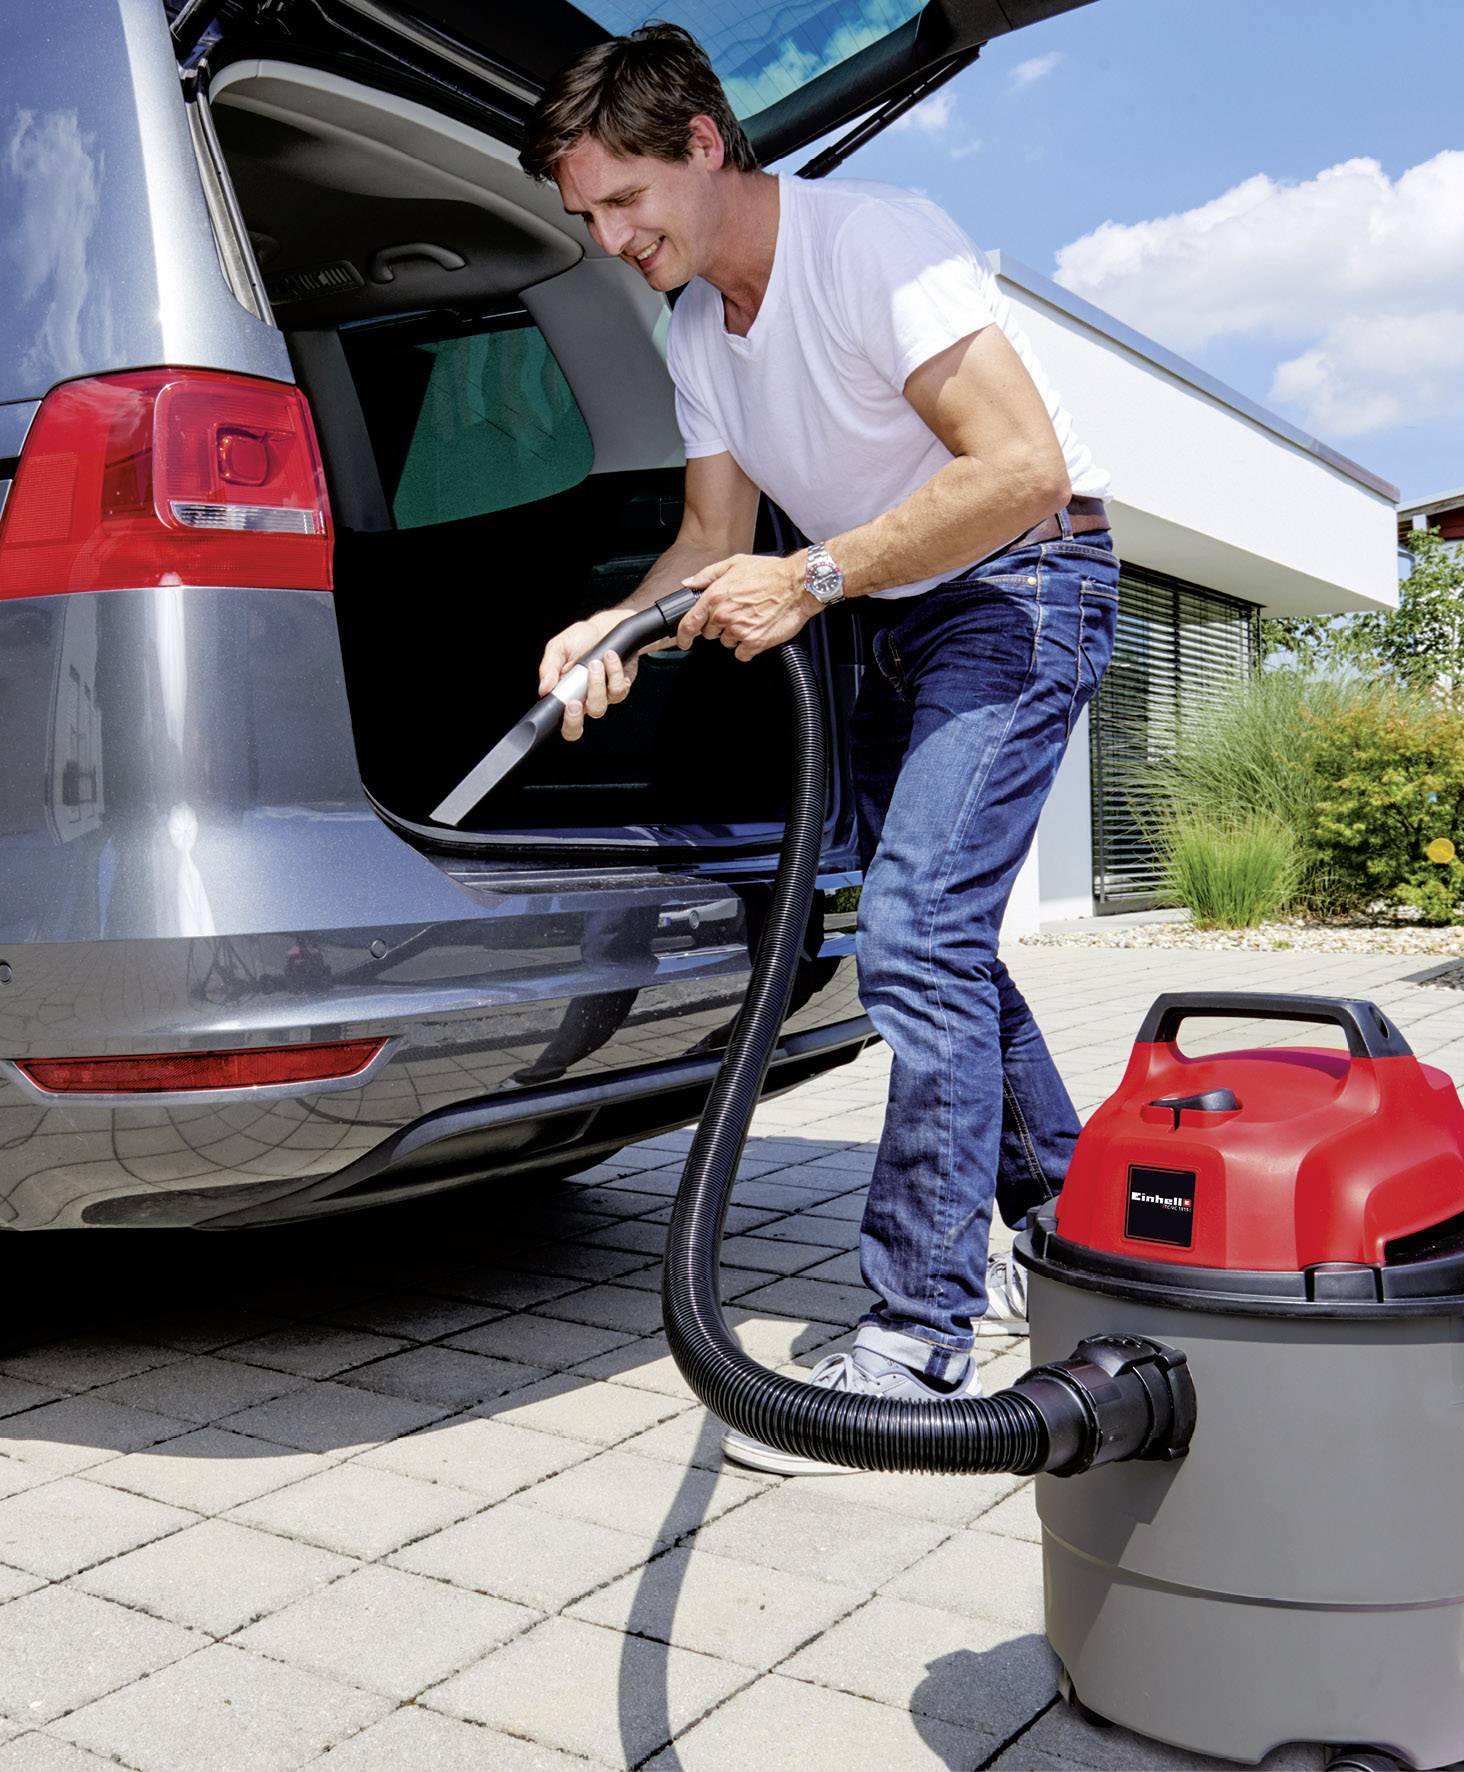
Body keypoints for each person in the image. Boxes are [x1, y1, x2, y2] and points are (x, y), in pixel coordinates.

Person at [520, 23, 1119, 1475]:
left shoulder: (875, 245)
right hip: (894, 608)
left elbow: (1021, 467)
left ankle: (918, 1331)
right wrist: (613, 628)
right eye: (584, 217)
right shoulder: (690, 332)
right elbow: (710, 545)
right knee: (939, 940)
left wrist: (817, 577)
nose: (608, 239)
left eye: (623, 202)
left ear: (705, 146)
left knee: (912, 931)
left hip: (1020, 581)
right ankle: (1073, 1232)